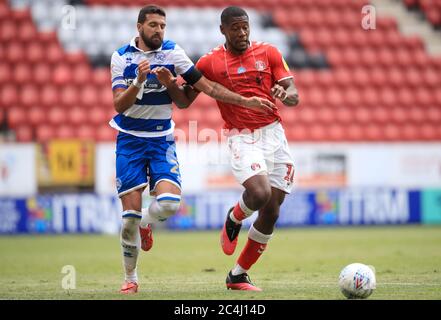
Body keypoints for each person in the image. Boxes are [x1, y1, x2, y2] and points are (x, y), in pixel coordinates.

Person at [110, 5, 275, 294]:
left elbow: (201, 90)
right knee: (127, 222)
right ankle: (131, 279)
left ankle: (146, 223)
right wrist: (138, 80)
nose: (159, 30)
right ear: (139, 28)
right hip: (129, 141)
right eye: (153, 25)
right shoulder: (121, 57)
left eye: (162, 25)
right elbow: (119, 105)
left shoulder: (174, 53)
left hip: (161, 140)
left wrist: (245, 101)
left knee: (169, 205)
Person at [153, 6, 299, 291]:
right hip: (242, 136)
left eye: (245, 27)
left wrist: (285, 94)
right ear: (223, 30)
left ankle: (238, 275)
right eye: (235, 28)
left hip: (274, 135)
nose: (242, 32)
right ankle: (235, 217)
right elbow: (183, 101)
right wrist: (171, 84)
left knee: (272, 211)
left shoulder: (269, 52)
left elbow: (293, 94)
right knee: (259, 193)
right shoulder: (210, 62)